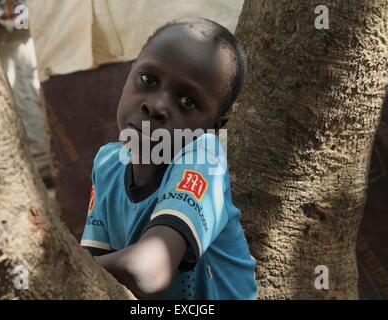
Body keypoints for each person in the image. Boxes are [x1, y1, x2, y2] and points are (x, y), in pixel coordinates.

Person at [80, 17, 257, 299]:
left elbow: (149, 271)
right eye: (148, 79)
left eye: (187, 102)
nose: (157, 106)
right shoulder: (108, 164)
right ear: (129, 74)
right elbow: (92, 260)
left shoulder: (204, 158)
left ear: (213, 127)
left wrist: (64, 267)